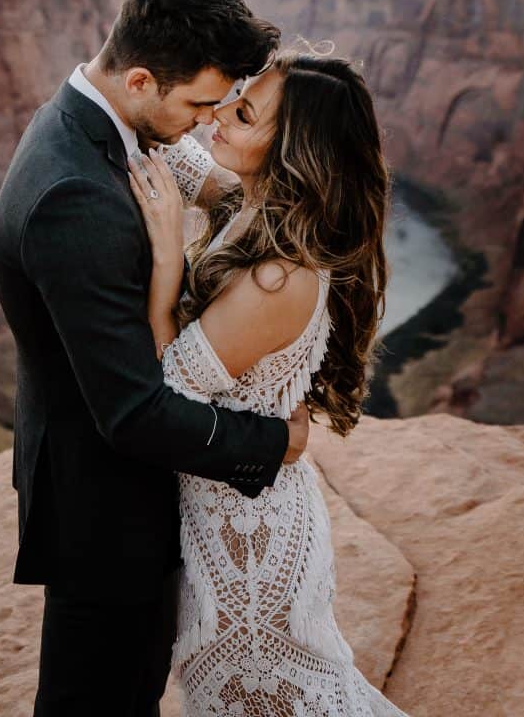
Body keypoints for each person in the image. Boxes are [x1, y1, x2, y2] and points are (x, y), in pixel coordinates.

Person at [0, 0, 312, 717]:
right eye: (200, 103)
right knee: (98, 699)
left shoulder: (94, 121)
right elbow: (131, 413)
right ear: (140, 80)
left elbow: (208, 174)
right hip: (104, 512)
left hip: (108, 489)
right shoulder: (76, 195)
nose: (205, 121)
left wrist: (272, 194)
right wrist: (274, 443)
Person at [128, 52, 412, 716]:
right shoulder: (251, 204)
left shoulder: (279, 275)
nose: (220, 112)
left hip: (247, 551)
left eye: (243, 112)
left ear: (291, 152)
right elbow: (174, 156)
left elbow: (166, 392)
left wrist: (167, 267)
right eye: (234, 97)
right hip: (237, 507)